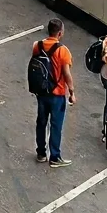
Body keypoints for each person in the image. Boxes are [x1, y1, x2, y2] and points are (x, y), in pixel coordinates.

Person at [31, 19, 75, 167]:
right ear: (60, 33)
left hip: (42, 92)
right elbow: (66, 73)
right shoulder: (63, 51)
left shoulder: (37, 46)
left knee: (41, 122)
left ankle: (41, 153)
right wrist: (72, 91)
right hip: (57, 93)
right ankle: (55, 157)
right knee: (55, 126)